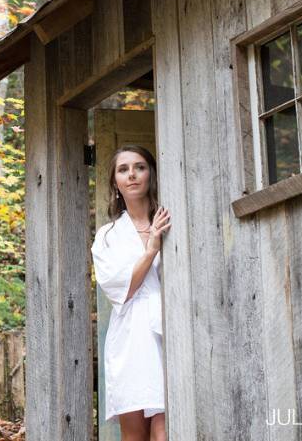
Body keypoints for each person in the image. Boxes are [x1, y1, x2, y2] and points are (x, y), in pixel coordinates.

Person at [91, 145, 171, 441]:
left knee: (166, 429)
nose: (132, 174)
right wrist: (151, 250)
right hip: (130, 337)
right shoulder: (108, 237)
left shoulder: (169, 221)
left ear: (151, 173)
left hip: (167, 330)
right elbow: (120, 290)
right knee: (135, 435)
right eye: (123, 170)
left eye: (140, 167)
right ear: (115, 182)